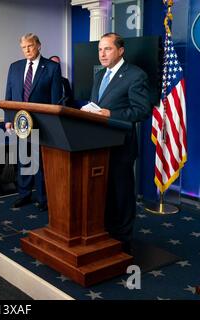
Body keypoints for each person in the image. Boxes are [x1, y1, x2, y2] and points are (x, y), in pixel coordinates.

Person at [84, 32, 152, 252]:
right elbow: (97, 105)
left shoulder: (135, 75)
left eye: (107, 49)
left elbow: (141, 110)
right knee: (104, 192)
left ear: (120, 50)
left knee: (121, 192)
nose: (102, 54)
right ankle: (107, 231)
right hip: (98, 145)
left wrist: (109, 114)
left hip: (121, 146)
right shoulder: (98, 75)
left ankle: (123, 239)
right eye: (100, 49)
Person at [4, 33, 62, 211]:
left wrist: (54, 124)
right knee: (24, 160)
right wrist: (8, 119)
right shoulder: (14, 67)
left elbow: (56, 99)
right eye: (23, 47)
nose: (27, 50)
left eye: (30, 46)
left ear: (38, 46)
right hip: (20, 122)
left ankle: (43, 198)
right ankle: (24, 195)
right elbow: (9, 95)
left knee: (41, 162)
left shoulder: (52, 67)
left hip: (43, 123)